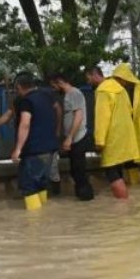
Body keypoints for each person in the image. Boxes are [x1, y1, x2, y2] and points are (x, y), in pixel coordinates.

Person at [9, 72, 60, 210]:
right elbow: (58, 110)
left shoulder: (27, 101)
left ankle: (34, 225)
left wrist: (18, 149)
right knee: (42, 184)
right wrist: (57, 130)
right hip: (50, 149)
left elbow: (25, 124)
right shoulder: (47, 95)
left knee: (29, 186)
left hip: (34, 151)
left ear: (19, 87)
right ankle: (44, 218)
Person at [88, 65, 137, 199]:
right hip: (125, 138)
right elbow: (130, 110)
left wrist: (99, 141)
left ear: (94, 74)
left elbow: (102, 118)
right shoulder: (121, 89)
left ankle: (124, 207)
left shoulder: (103, 91)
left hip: (112, 139)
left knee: (112, 173)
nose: (88, 82)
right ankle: (125, 207)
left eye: (88, 78)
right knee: (118, 172)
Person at [49, 73, 95, 201]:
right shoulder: (68, 95)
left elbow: (78, 116)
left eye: (53, 85)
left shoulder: (74, 93)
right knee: (75, 170)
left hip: (78, 138)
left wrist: (69, 137)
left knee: (79, 170)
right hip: (73, 139)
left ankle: (86, 197)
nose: (53, 89)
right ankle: (82, 198)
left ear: (59, 82)